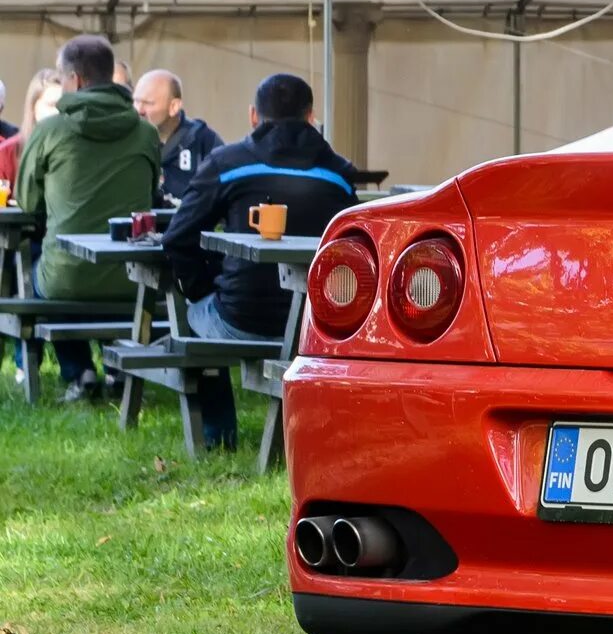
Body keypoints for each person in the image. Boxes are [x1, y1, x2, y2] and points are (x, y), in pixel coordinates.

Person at [164, 73, 358, 451]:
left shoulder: (227, 163)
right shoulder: (340, 173)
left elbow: (177, 238)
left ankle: (220, 437)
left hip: (239, 319)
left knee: (188, 315)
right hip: (314, 326)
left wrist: (204, 288)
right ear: (310, 116)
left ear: (254, 116)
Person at [15, 37, 160, 403]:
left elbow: (28, 202)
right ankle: (115, 368)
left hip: (67, 281)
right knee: (88, 273)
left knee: (39, 269)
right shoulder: (147, 133)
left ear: (76, 80)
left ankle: (79, 371)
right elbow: (153, 194)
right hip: (132, 279)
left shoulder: (50, 132)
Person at [133, 69, 223, 205]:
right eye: (136, 101)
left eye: (148, 103)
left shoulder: (203, 141)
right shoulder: (127, 140)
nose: (139, 110)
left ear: (174, 106)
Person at [0, 68, 65, 192]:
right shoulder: (7, 153)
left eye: (63, 106)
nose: (58, 112)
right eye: (51, 105)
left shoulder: (78, 149)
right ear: (33, 108)